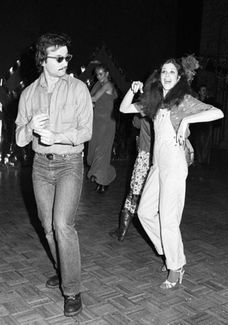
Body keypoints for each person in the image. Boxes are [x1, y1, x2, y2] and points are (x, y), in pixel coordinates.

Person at [119, 55, 224, 289]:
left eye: (171, 73)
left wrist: (187, 121)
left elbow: (218, 113)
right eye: (164, 72)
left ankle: (175, 267)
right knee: (145, 213)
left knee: (168, 218)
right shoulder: (155, 101)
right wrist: (133, 89)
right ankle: (170, 253)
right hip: (157, 166)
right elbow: (125, 108)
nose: (166, 76)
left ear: (178, 78)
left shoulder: (183, 100)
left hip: (175, 165)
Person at [15, 33, 93, 316]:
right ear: (42, 60)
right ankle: (64, 271)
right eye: (58, 58)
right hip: (40, 167)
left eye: (67, 57)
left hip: (70, 163)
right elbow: (20, 139)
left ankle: (72, 290)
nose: (64, 62)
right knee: (47, 227)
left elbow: (86, 132)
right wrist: (30, 127)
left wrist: (56, 135)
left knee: (62, 225)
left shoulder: (78, 89)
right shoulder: (28, 94)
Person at [109, 114, 153, 241]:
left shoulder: (147, 111)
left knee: (134, 193)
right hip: (160, 158)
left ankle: (122, 230)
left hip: (145, 156)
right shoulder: (168, 110)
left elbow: (135, 123)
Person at [87, 63, 118, 193]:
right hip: (96, 122)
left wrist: (78, 93)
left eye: (101, 74)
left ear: (106, 73)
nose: (99, 77)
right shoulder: (97, 85)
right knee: (94, 152)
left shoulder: (108, 85)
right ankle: (106, 177)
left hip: (106, 123)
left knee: (102, 152)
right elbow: (92, 102)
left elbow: (93, 98)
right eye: (97, 74)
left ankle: (102, 182)